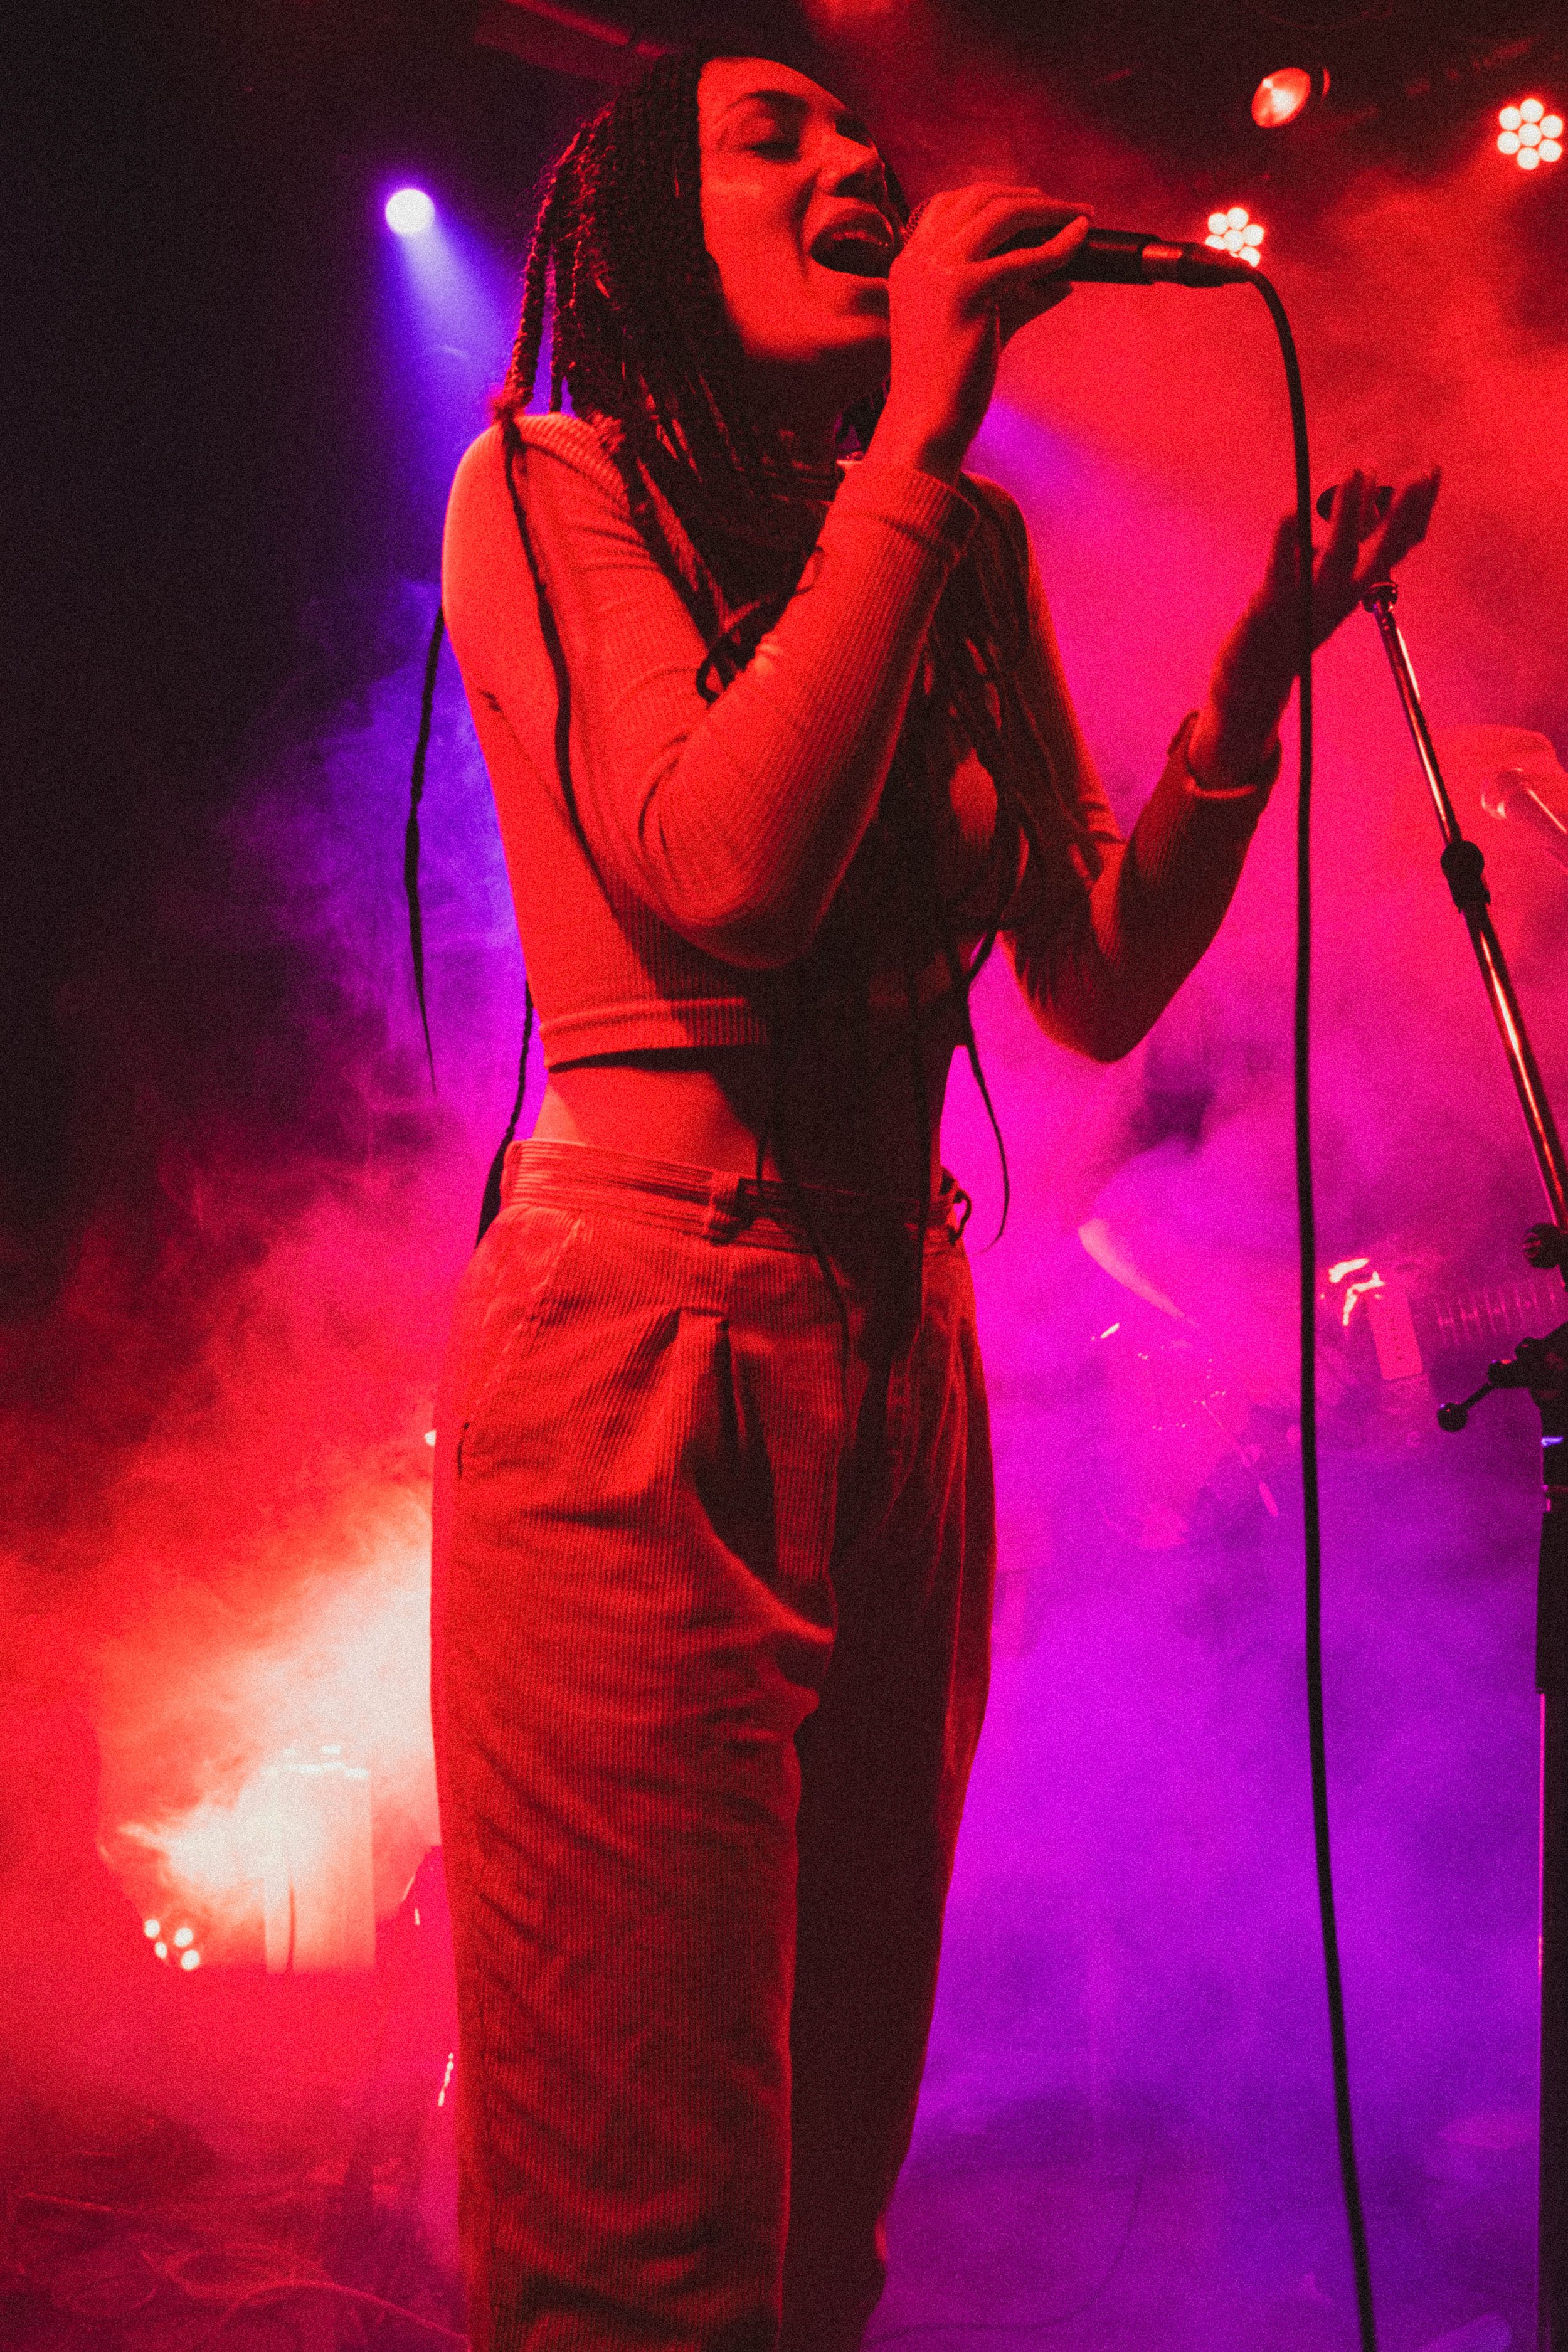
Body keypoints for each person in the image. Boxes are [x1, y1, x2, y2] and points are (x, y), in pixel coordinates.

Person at [430, 42, 1439, 2352]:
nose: (852, 160)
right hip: (641, 1359)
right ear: (652, 233)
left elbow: (1085, 977)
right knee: (643, 2249)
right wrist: (917, 439)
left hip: (899, 1356)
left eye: (854, 132)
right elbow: (722, 872)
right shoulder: (553, 484)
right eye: (768, 134)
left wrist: (1239, 700)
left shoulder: (956, 540)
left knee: (817, 2224)